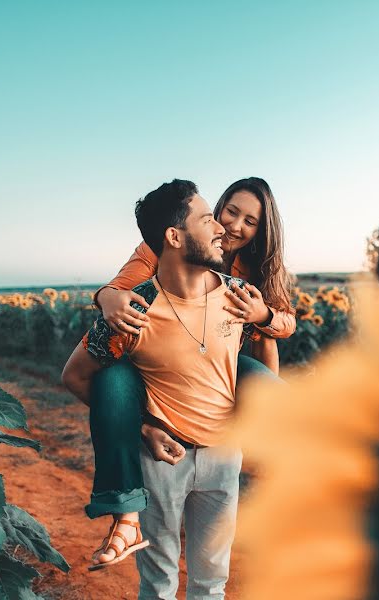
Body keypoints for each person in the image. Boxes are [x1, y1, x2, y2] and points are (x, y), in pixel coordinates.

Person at [84, 177, 295, 568]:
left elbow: (278, 329)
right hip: (160, 373)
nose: (233, 226)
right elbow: (120, 289)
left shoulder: (253, 271)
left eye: (250, 221)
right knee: (113, 379)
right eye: (229, 212)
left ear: (261, 231)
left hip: (224, 372)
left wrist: (262, 315)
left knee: (276, 392)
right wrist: (105, 296)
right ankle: (123, 513)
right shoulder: (165, 247)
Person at [62, 179, 256, 598]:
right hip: (163, 461)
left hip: (224, 458)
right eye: (208, 220)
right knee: (160, 582)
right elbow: (75, 375)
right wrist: (142, 429)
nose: (221, 228)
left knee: (211, 583)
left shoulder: (239, 297)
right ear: (174, 236)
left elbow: (247, 364)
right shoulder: (136, 309)